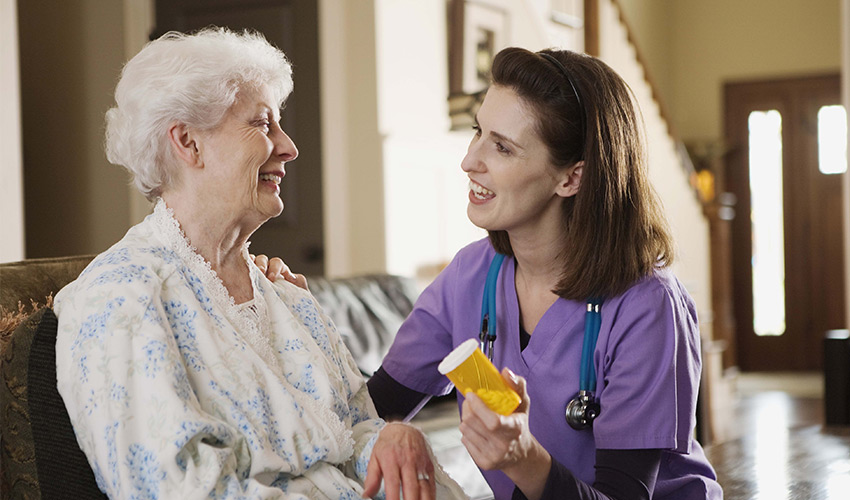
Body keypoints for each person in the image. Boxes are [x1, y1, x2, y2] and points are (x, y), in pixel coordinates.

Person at [261, 46, 723, 500]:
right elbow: (370, 411)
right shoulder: (471, 276)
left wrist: (523, 458)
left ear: (571, 178)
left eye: (501, 147)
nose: (469, 161)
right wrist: (293, 319)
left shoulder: (648, 306)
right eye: (478, 132)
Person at [53, 27, 466, 500]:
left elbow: (354, 429)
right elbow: (175, 489)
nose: (289, 147)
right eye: (263, 124)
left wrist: (389, 440)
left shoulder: (288, 296)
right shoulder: (118, 298)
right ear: (188, 142)